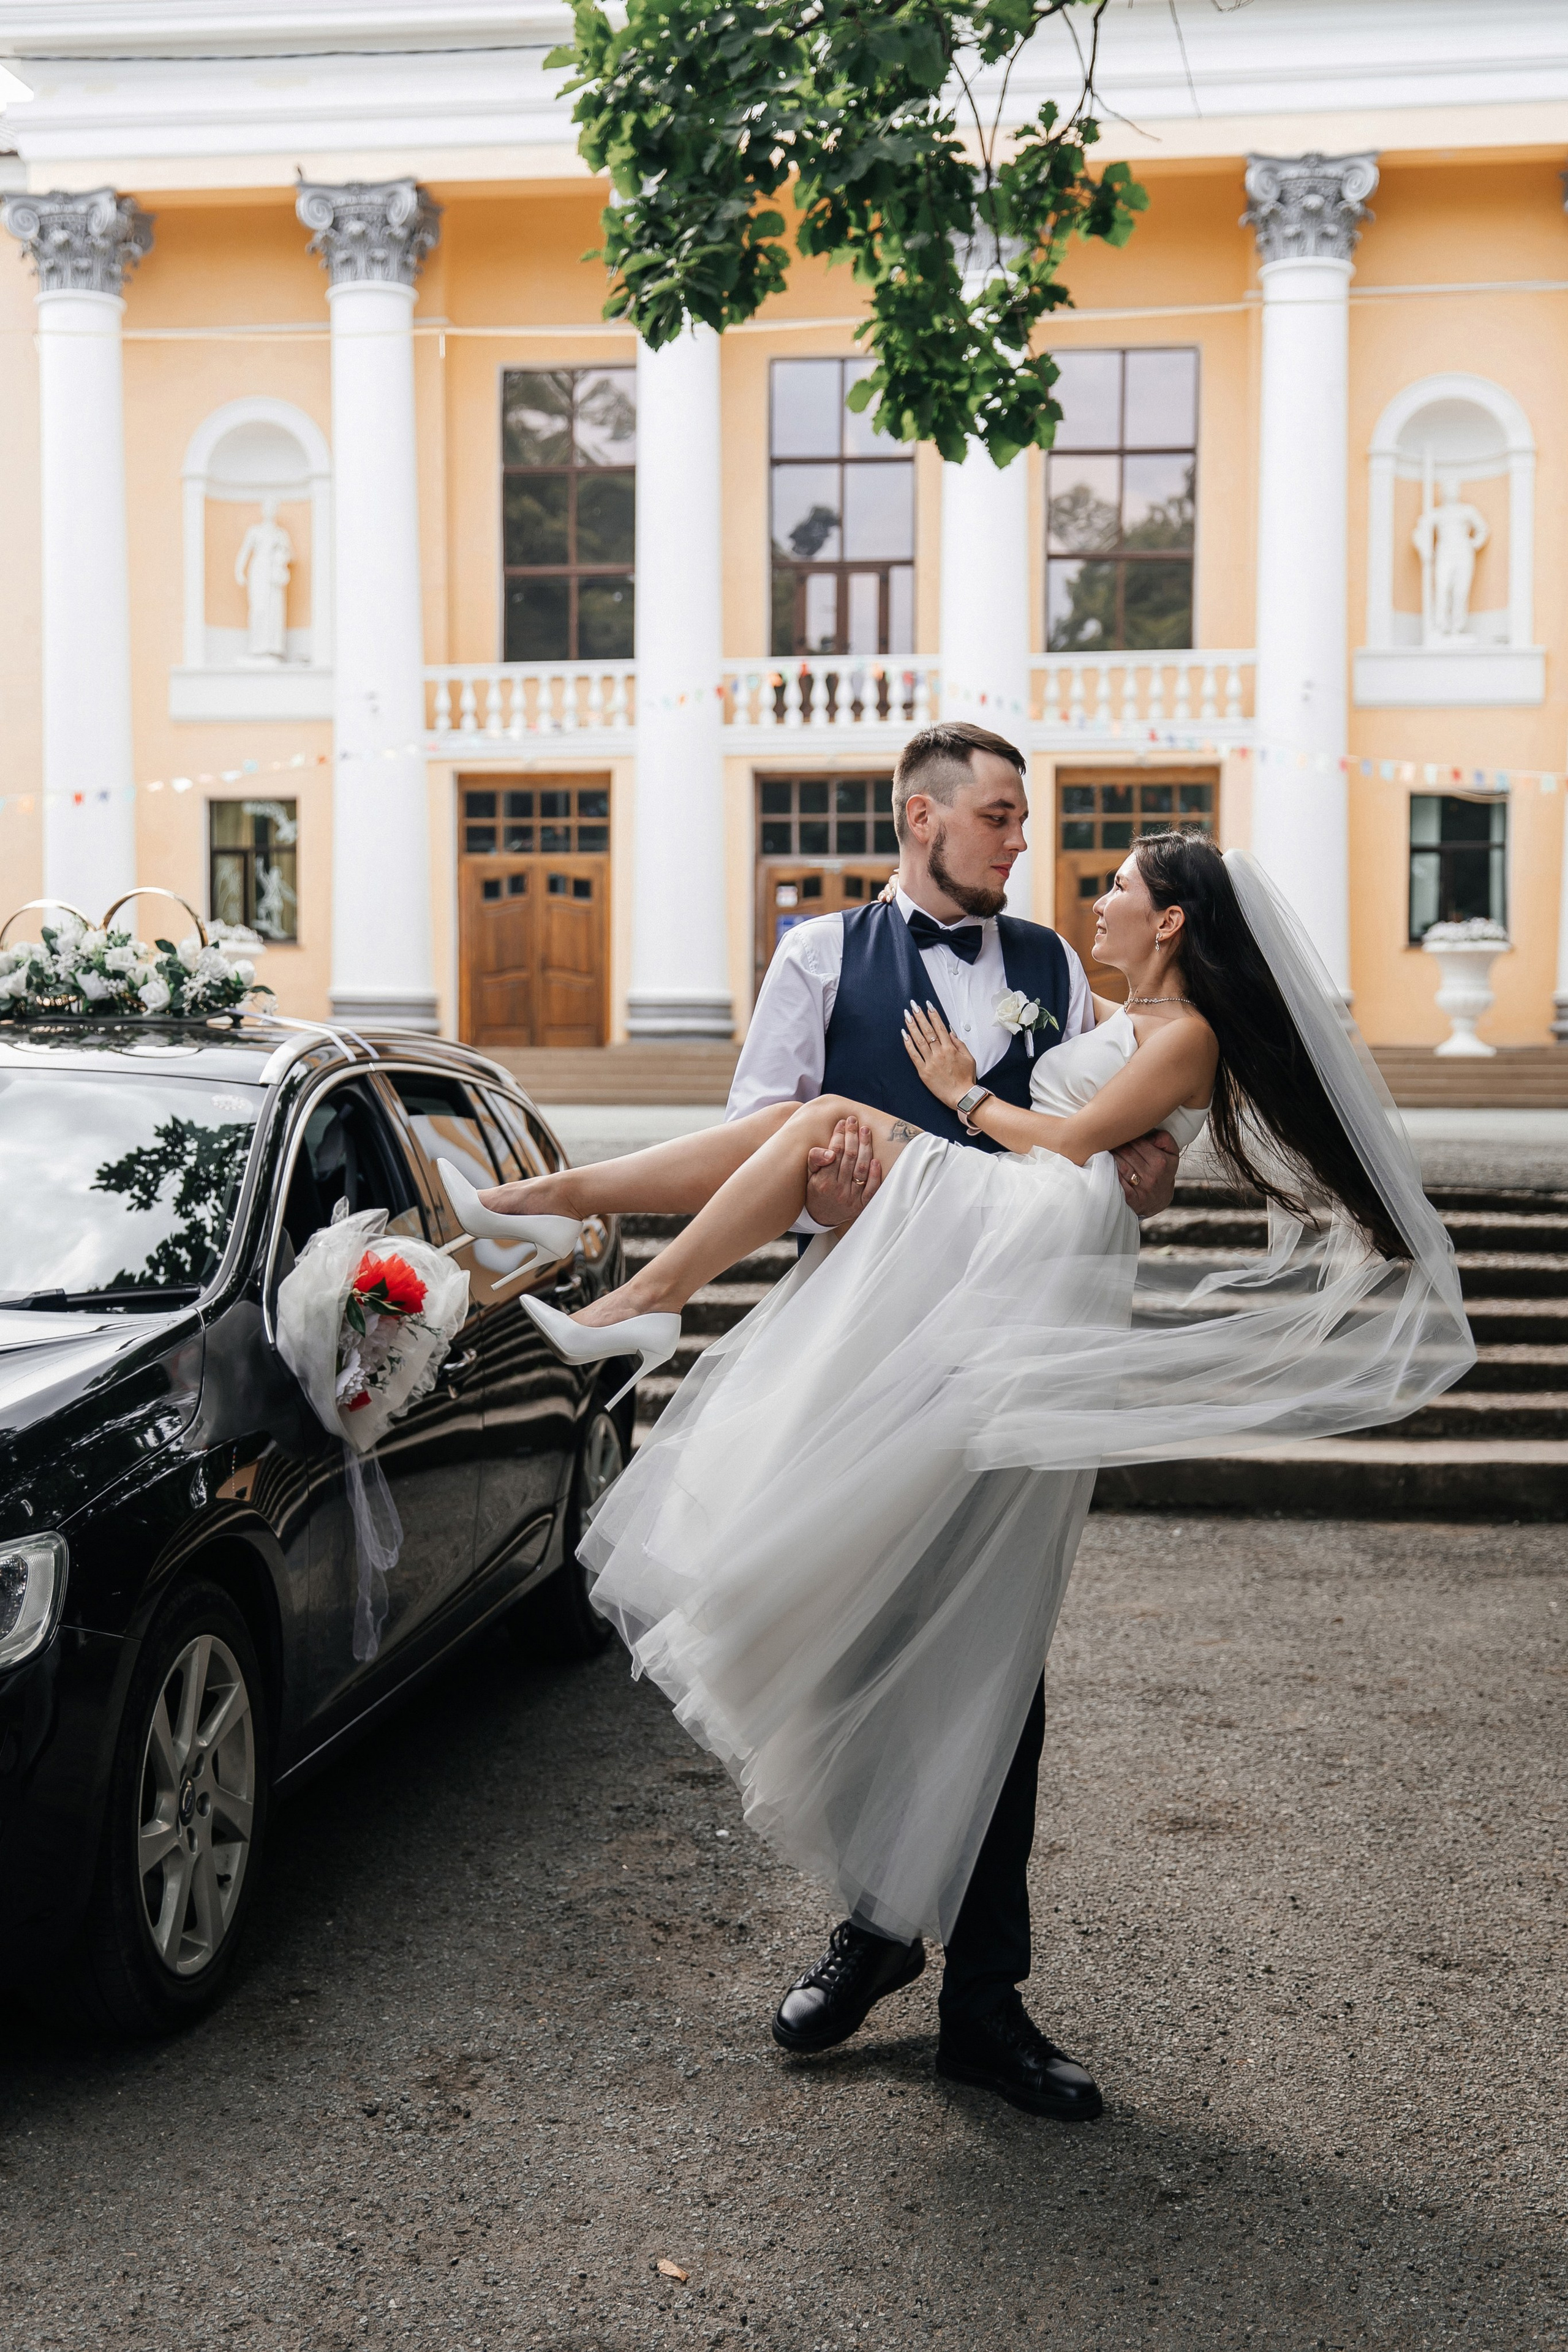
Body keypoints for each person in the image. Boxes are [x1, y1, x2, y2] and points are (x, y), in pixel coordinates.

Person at [444, 827, 1472, 2124]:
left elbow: (1087, 1144)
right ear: (922, 818)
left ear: (1168, 922)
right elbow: (787, 1123)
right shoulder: (839, 954)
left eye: (1112, 887)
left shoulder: (1129, 1001)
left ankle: (980, 2000)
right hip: (926, 1271)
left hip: (1009, 1269)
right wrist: (1016, 1142)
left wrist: (982, 1099)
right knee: (862, 1606)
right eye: (1000, 815)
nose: (1058, 871)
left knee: (986, 1646)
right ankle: (878, 1923)